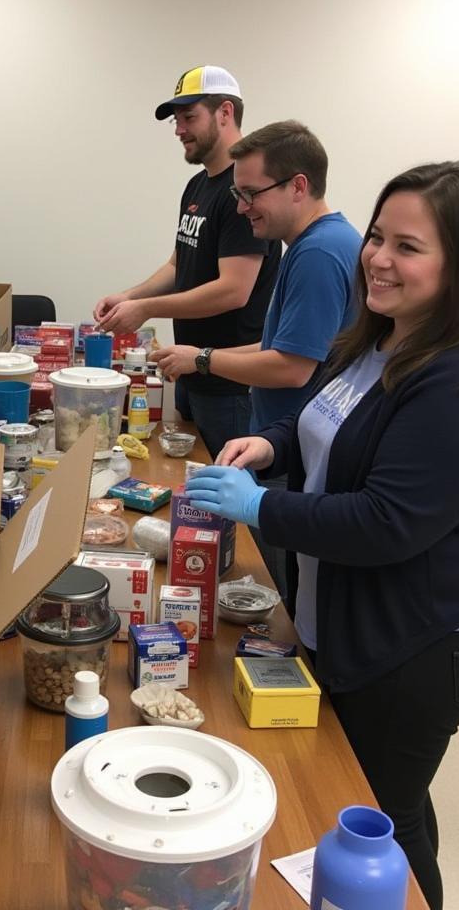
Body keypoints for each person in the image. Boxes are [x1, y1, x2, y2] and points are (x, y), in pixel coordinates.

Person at [185, 162, 459, 910]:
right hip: (357, 609)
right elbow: (321, 426)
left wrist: (260, 509)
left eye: (408, 247)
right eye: (377, 236)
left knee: (378, 819)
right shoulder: (379, 340)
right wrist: (270, 447)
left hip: (427, 639)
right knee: (388, 794)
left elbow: (386, 523)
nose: (377, 257)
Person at [154, 121, 361, 594]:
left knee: (270, 584)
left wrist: (203, 359)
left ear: (298, 187)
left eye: (250, 194)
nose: (242, 208)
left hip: (295, 451)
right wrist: (197, 356)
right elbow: (278, 344)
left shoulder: (320, 253)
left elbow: (290, 368)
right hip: (285, 442)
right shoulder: (308, 246)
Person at [92, 65, 281, 458]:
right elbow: (180, 264)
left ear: (225, 113)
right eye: (176, 120)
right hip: (192, 370)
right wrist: (129, 295)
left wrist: (145, 309)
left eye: (189, 117)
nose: (179, 129)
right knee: (189, 480)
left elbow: (234, 290)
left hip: (231, 384)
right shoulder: (197, 186)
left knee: (226, 500)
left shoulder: (242, 191)